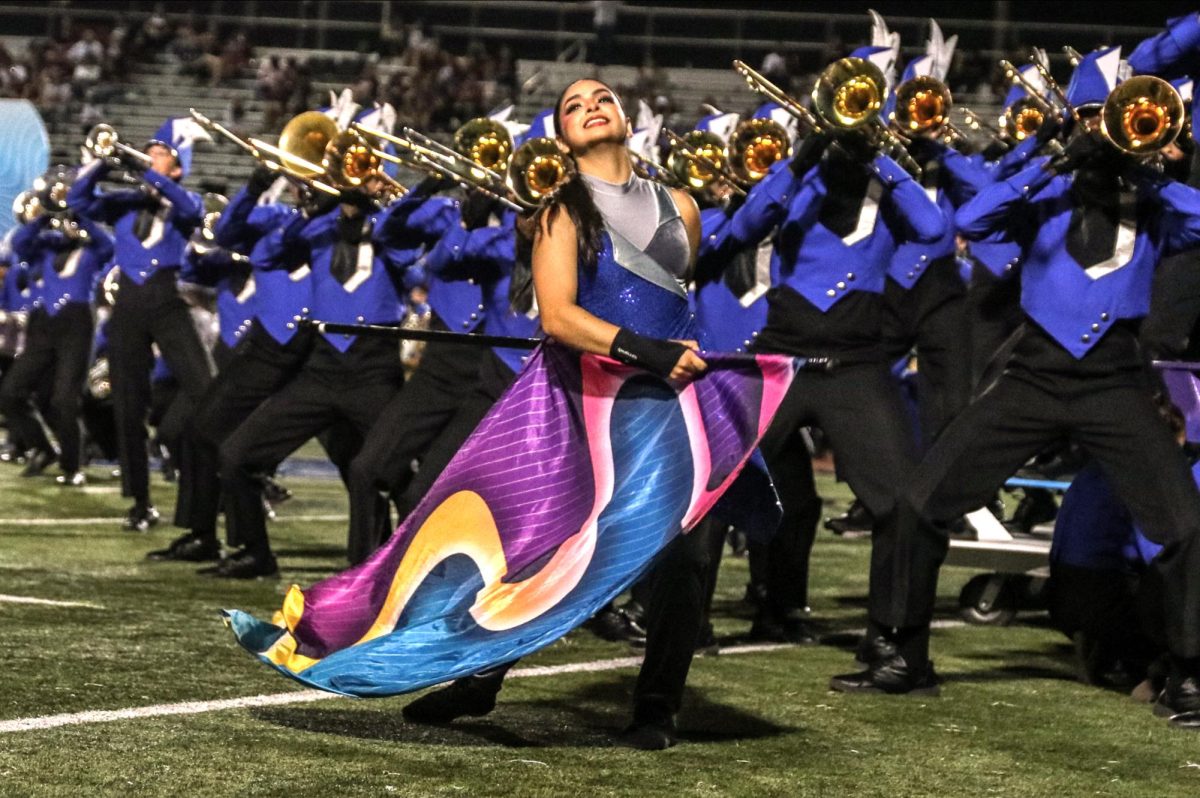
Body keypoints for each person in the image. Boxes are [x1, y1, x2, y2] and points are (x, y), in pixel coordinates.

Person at [839, 51, 1200, 722]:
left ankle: (1191, 675)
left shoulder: (1153, 205)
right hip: (1033, 372)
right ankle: (900, 653)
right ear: (1074, 122)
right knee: (920, 503)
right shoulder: (1047, 189)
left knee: (1183, 525)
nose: (1108, 130)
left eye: (1115, 120)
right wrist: (1054, 161)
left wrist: (1144, 170)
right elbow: (971, 222)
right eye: (1095, 119)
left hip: (1115, 377)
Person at [399, 77, 711, 750]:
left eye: (601, 98)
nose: (590, 106)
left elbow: (679, 304)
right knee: (543, 552)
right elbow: (561, 317)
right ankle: (480, 678)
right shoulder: (558, 214)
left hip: (668, 406)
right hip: (589, 405)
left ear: (627, 119)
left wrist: (688, 359)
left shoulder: (683, 207)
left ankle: (657, 707)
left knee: (686, 560)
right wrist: (644, 350)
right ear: (564, 138)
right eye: (573, 105)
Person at [66, 119, 216, 533]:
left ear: (177, 166)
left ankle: (210, 479)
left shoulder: (184, 201)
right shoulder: (129, 202)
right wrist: (102, 162)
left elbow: (190, 210)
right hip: (129, 303)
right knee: (127, 405)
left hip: (167, 299)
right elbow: (80, 200)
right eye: (148, 151)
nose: (151, 156)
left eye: (160, 153)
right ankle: (141, 502)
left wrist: (148, 171)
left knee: (205, 387)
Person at [0, 182, 113, 486]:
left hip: (76, 324)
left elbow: (108, 245)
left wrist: (79, 217)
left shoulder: (91, 249)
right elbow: (21, 242)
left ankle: (72, 465)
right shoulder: (44, 245)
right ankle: (43, 447)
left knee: (65, 399)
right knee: (11, 391)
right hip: (42, 324)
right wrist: (46, 214)